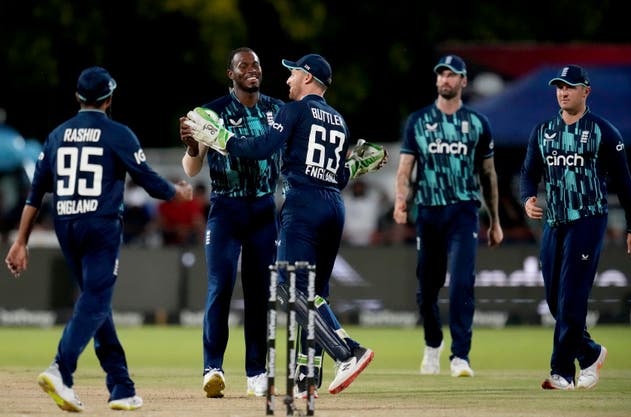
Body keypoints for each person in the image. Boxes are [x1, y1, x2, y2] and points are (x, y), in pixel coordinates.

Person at [183, 53, 387, 397]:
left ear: (307, 77)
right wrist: (358, 166)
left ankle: (348, 351)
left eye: (292, 73)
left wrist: (225, 141)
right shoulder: (338, 120)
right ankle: (307, 378)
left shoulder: (288, 110)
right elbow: (337, 175)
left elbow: (262, 148)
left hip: (301, 207)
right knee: (315, 294)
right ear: (230, 73)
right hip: (333, 207)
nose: (287, 79)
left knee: (287, 289)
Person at [4, 66, 193, 412]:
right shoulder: (118, 133)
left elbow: (35, 194)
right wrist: (177, 192)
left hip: (65, 225)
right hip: (100, 225)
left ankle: (120, 386)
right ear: (109, 99)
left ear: (78, 97)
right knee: (95, 300)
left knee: (96, 302)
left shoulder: (56, 135)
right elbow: (149, 181)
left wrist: (20, 241)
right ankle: (61, 368)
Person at [520, 64, 631, 390]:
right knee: (554, 300)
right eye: (559, 86)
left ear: (586, 91)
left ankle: (561, 372)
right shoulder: (543, 131)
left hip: (588, 219)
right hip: (554, 222)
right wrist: (528, 197)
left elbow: (624, 183)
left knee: (572, 296)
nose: (563, 92)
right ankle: (590, 353)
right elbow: (529, 172)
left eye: (570, 87)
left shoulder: (603, 131)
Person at [179, 47, 284, 398]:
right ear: (231, 74)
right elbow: (192, 169)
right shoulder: (212, 112)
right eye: (243, 66)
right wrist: (194, 147)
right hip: (226, 208)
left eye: (256, 64)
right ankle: (213, 369)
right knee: (219, 287)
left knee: (258, 293)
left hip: (264, 210)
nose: (251, 69)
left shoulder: (277, 110)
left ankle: (256, 372)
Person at [393, 55, 503, 378]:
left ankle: (460, 356)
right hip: (428, 212)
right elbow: (404, 169)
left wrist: (494, 221)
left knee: (461, 284)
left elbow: (488, 174)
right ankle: (432, 343)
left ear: (463, 82)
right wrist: (401, 202)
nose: (445, 79)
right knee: (426, 290)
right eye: (441, 73)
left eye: (452, 75)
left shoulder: (478, 124)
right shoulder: (418, 121)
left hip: (464, 212)